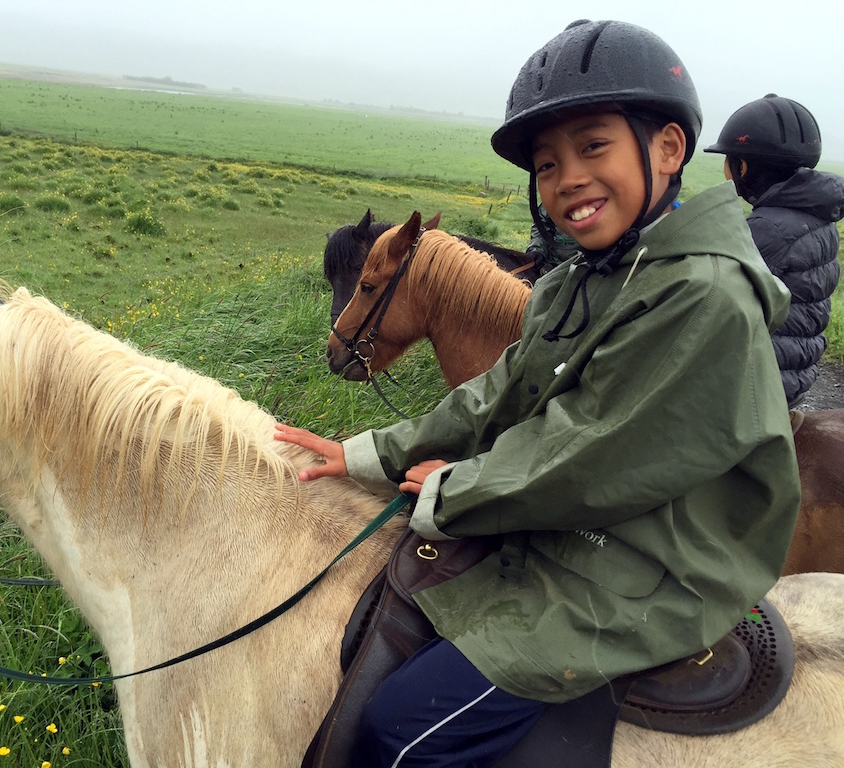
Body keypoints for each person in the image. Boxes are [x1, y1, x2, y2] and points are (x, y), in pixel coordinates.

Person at [276, 19, 801, 768]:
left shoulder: (702, 294)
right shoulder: (583, 279)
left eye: (593, 147)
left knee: (400, 731)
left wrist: (452, 491)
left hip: (648, 568)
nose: (567, 180)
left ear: (668, 149)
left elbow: (591, 455)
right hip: (583, 532)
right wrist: (370, 452)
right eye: (548, 165)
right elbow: (498, 391)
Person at [703, 94, 844, 407]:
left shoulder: (766, 228)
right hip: (797, 373)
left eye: (728, 161)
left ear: (743, 166)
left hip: (758, 383)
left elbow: (709, 296)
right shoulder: (818, 216)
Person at [525, 202, 581, 271]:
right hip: (553, 264)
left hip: (588, 266)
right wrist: (537, 250)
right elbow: (542, 226)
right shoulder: (552, 201)